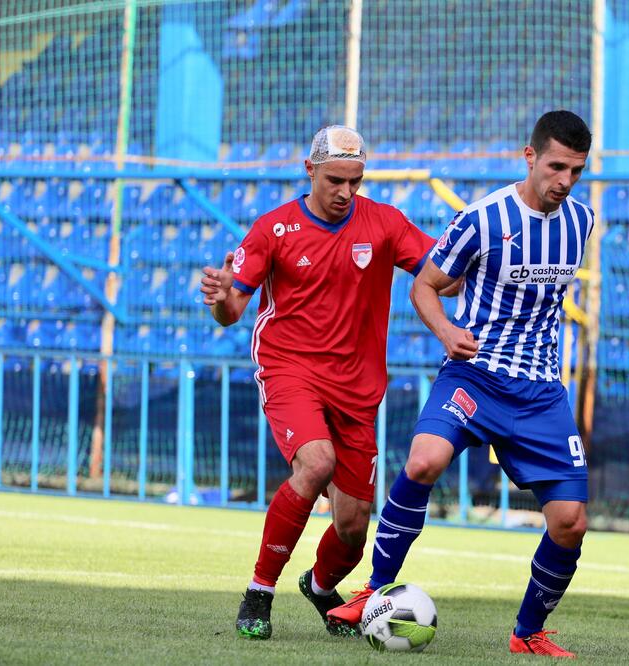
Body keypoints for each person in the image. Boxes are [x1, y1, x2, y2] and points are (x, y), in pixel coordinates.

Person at [326, 110, 594, 658]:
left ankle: (527, 634)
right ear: (530, 156)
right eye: (556, 166)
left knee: (570, 524)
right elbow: (426, 285)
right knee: (423, 460)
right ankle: (373, 590)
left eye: (576, 171)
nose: (563, 182)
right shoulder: (482, 219)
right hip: (474, 374)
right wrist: (447, 331)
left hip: (541, 390)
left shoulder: (582, 222)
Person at [199, 125, 437, 640]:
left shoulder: (385, 223)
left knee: (353, 530)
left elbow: (442, 272)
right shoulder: (274, 229)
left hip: (358, 388)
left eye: (356, 180)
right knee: (316, 462)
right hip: (290, 369)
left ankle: (322, 586)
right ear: (310, 171)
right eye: (335, 180)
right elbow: (231, 311)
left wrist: (470, 259)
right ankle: (259, 594)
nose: (346, 192)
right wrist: (220, 295)